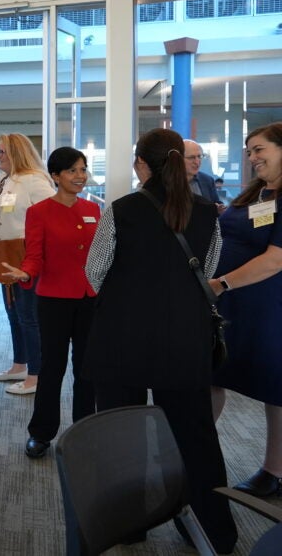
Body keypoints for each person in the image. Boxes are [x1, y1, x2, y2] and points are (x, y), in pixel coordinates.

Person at [84, 127, 236, 554]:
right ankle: (214, 531)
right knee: (197, 436)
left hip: (121, 337)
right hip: (184, 339)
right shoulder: (209, 212)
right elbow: (205, 271)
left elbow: (94, 273)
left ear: (141, 165)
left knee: (122, 434)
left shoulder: (121, 209)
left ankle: (129, 525)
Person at [0, 147, 98, 458]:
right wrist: (25, 273)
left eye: (83, 170)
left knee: (86, 370)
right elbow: (35, 256)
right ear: (55, 176)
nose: (80, 176)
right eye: (72, 171)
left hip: (89, 299)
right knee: (52, 369)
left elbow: (99, 255)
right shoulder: (39, 212)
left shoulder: (93, 210)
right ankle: (41, 433)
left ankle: (83, 431)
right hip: (54, 300)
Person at [209, 122, 282, 498]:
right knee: (213, 374)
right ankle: (192, 456)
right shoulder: (259, 193)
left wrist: (221, 283)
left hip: (266, 306)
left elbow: (274, 261)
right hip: (232, 303)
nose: (252, 157)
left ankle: (274, 471)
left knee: (274, 387)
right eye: (249, 151)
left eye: (260, 149)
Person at [0, 133, 55, 395]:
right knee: (13, 313)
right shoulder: (3, 179)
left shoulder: (35, 181)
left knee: (29, 317)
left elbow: (52, 217)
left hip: (25, 257)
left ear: (16, 153)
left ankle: (36, 375)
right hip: (3, 255)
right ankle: (20, 364)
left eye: (2, 152)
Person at [184, 139, 224, 211]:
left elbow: (216, 203)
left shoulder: (207, 180)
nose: (197, 162)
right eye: (191, 157)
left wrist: (219, 208)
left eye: (199, 156)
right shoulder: (168, 181)